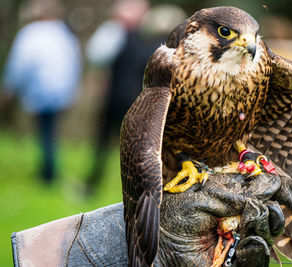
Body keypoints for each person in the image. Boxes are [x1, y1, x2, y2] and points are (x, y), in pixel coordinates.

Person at [85, 1, 186, 193]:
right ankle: (144, 187)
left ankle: (91, 184)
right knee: (143, 148)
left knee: (103, 143)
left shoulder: (129, 39)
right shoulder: (167, 53)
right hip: (135, 102)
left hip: (114, 98)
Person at [2, 0, 82, 183]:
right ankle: (49, 168)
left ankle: (48, 172)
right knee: (51, 129)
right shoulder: (63, 33)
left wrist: (10, 86)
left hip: (40, 89)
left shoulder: (30, 33)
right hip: (61, 90)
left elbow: (20, 63)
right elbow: (74, 62)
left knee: (45, 129)